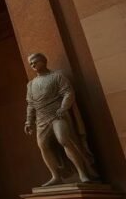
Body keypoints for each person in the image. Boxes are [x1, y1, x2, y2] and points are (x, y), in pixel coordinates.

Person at [24, 52, 98, 186]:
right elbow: (31, 104)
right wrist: (29, 121)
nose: (33, 65)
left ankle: (82, 173)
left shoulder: (57, 76)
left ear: (43, 61)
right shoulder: (31, 84)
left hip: (57, 115)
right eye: (31, 63)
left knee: (64, 140)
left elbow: (68, 92)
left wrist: (63, 107)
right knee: (43, 146)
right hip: (41, 119)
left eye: (35, 62)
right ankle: (55, 176)